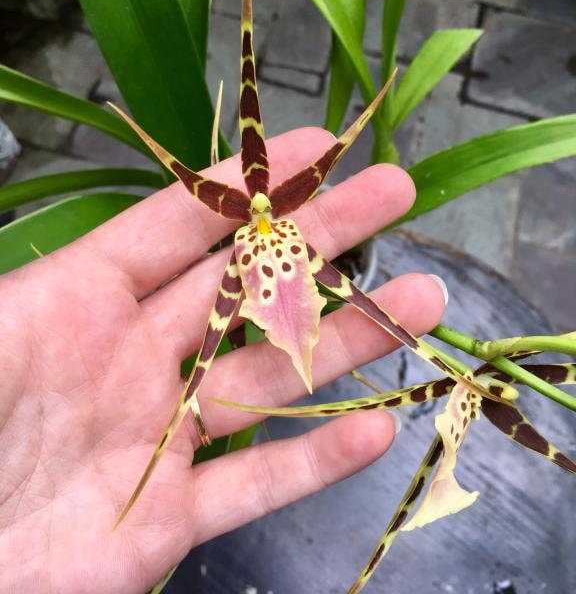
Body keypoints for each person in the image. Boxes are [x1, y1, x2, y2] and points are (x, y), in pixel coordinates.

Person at [0, 127, 446, 593]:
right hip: (257, 259)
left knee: (365, 306)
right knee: (206, 357)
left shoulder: (269, 232)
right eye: (256, 213)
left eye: (264, 212)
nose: (259, 214)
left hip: (274, 254)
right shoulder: (244, 246)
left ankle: (433, 358)